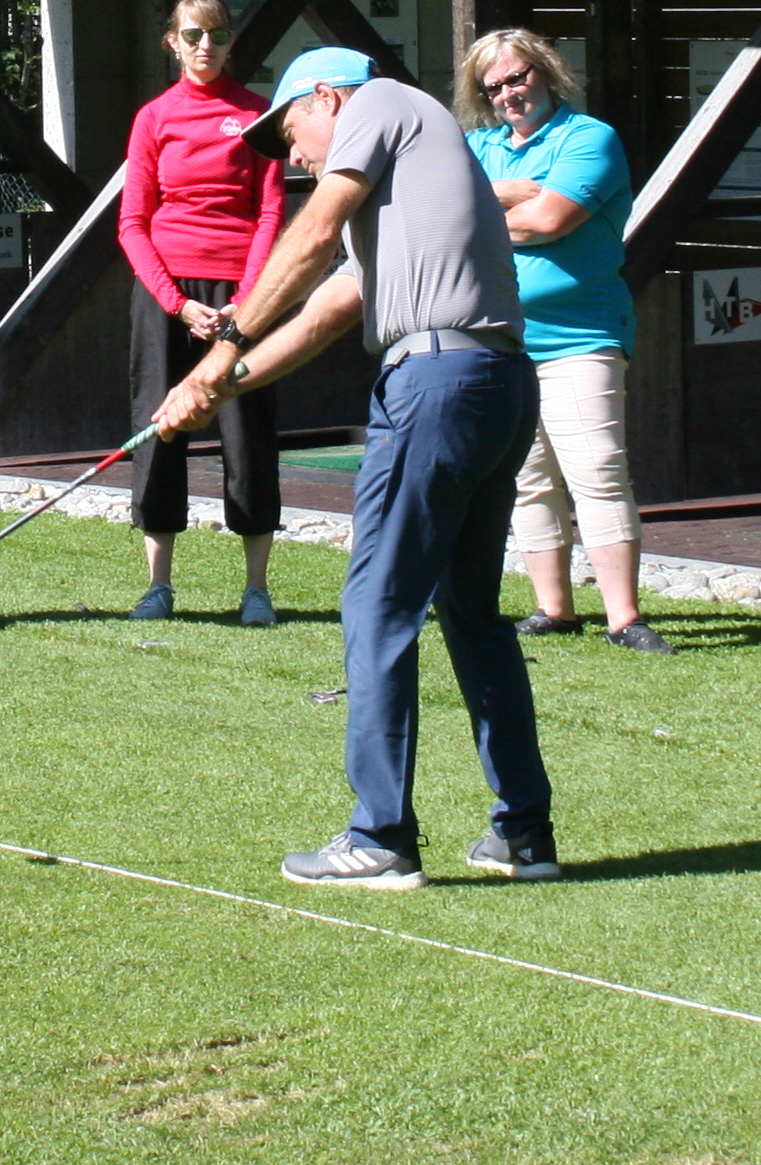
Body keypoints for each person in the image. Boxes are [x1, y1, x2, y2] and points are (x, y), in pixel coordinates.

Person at [158, 46, 557, 890]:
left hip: (438, 382)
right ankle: (523, 833)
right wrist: (213, 387)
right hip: (494, 381)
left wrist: (217, 348)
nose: (294, 155)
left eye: (292, 130)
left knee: (377, 604)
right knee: (473, 614)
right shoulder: (407, 186)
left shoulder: (379, 105)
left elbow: (306, 239)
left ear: (328, 97)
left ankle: (379, 837)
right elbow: (326, 310)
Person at [455, 28, 665, 654]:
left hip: (582, 336)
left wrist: (489, 210)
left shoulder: (590, 138)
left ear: (546, 73)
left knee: (597, 472)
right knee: (527, 477)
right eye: (494, 87)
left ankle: (624, 617)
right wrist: (512, 194)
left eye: (518, 78)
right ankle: (555, 609)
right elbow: (441, 210)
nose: (509, 95)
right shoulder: (477, 146)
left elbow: (549, 221)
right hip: (500, 338)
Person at [115, 0, 287, 625]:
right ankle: (158, 586)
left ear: (231, 39)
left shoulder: (258, 113)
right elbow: (133, 222)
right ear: (173, 42)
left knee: (247, 433)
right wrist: (177, 303)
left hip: (243, 291)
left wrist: (249, 298)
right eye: (192, 35)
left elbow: (271, 210)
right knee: (161, 427)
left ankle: (257, 590)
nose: (205, 46)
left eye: (216, 34)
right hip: (169, 295)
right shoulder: (154, 117)